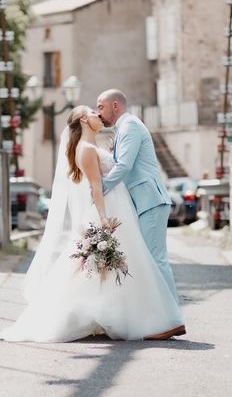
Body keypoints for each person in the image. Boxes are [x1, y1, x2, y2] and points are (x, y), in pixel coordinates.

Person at [0, 106, 184, 342]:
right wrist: (104, 218)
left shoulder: (92, 147)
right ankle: (143, 319)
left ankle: (131, 316)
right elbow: (96, 187)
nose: (99, 115)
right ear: (84, 121)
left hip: (118, 209)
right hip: (107, 211)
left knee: (116, 267)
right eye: (93, 112)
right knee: (115, 265)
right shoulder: (86, 149)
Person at [97, 89, 185, 339]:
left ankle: (171, 320)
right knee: (148, 261)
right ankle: (159, 319)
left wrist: (99, 190)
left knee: (156, 260)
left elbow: (124, 165)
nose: (98, 113)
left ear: (115, 105)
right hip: (141, 202)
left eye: (101, 107)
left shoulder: (131, 126)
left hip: (150, 201)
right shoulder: (123, 128)